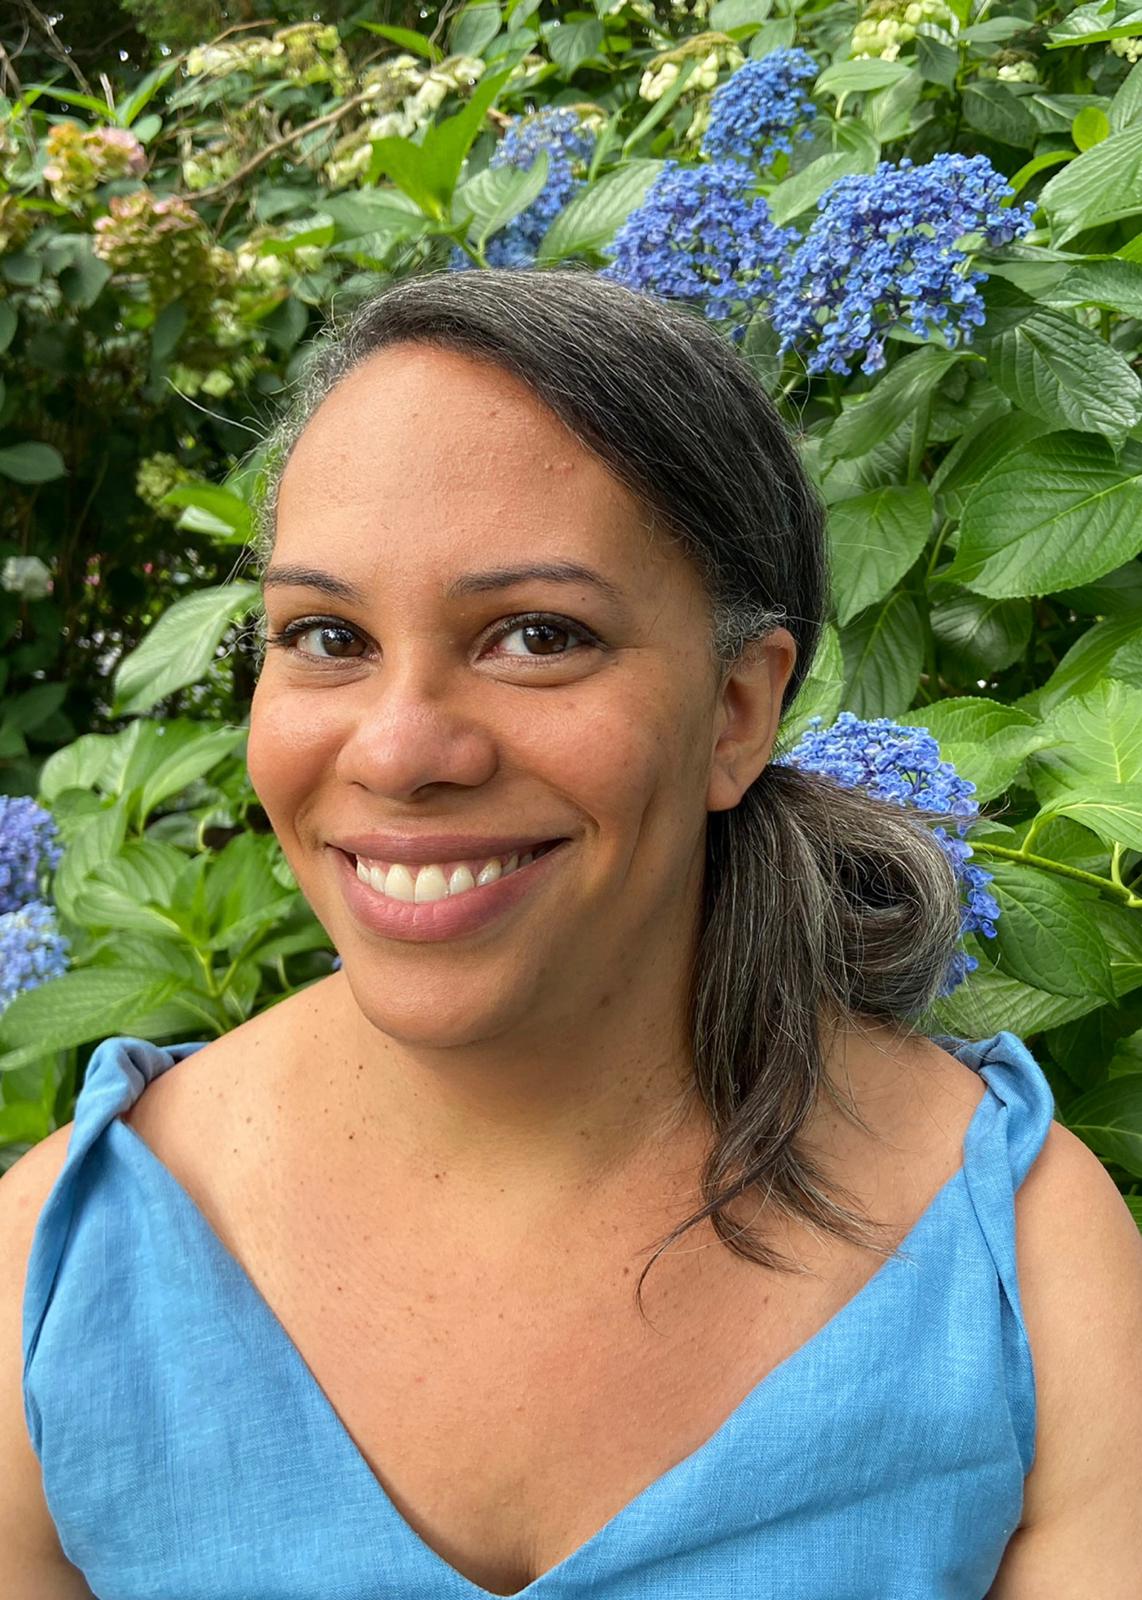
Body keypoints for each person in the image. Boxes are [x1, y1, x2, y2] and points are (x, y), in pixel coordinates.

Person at [3, 267, 1140, 1599]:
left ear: (733, 711)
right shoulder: (53, 1273)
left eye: (536, 636)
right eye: (326, 635)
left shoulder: (1022, 1262)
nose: (400, 748)